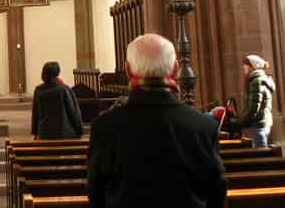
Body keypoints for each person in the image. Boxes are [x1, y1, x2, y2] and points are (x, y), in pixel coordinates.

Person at [87, 34, 226, 208]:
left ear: (128, 71)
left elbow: (96, 193)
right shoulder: (203, 127)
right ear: (175, 69)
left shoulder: (104, 127)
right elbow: (216, 193)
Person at [31, 61, 83, 140]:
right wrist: (79, 130)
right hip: (63, 134)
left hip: (45, 135)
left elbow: (35, 113)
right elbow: (73, 112)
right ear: (57, 73)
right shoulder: (64, 89)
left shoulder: (38, 90)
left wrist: (35, 132)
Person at [238, 54, 276, 148]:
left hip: (258, 123)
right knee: (262, 150)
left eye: (246, 65)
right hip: (261, 122)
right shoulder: (259, 79)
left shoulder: (256, 81)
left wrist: (242, 121)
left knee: (262, 152)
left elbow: (254, 106)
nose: (244, 67)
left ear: (252, 66)